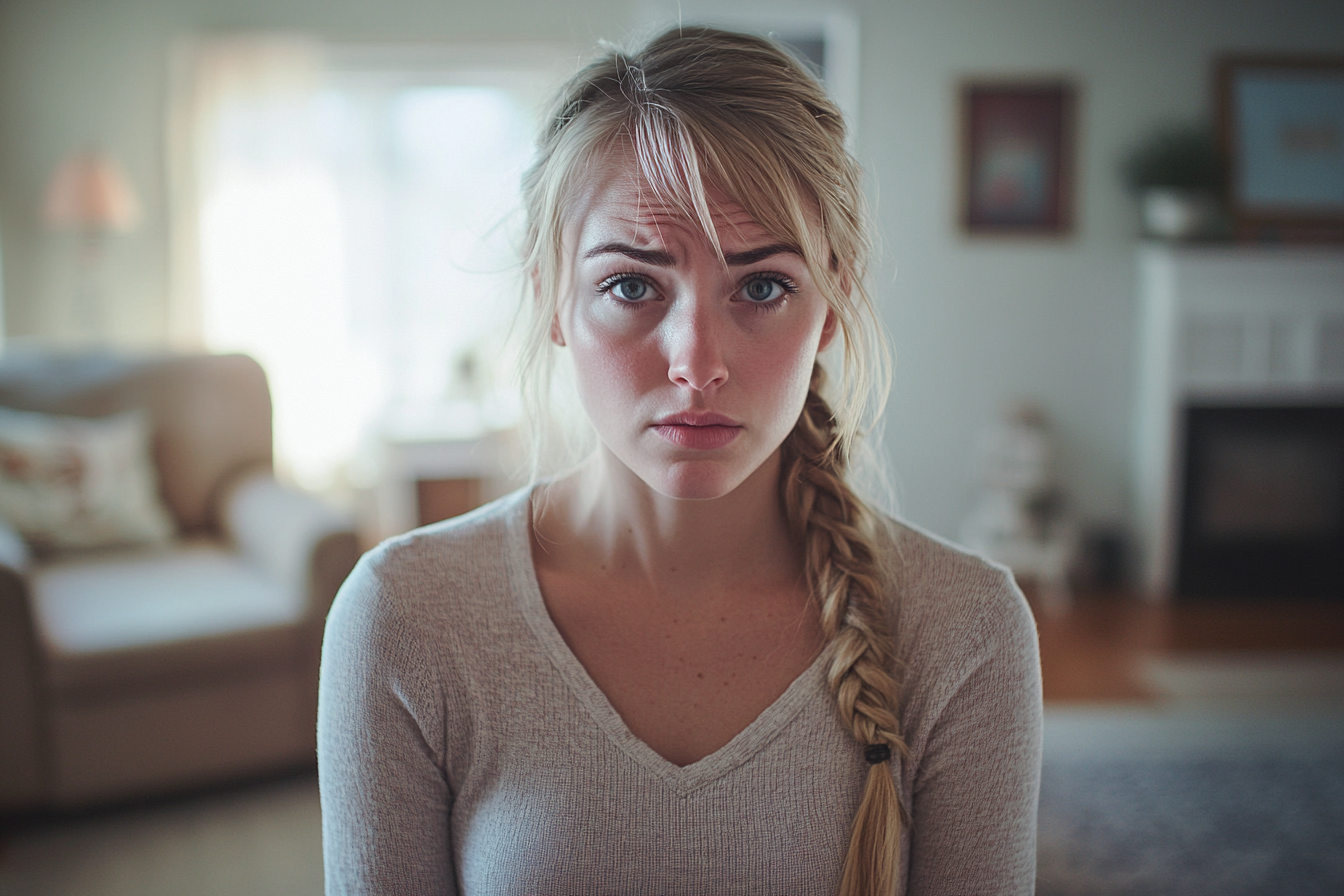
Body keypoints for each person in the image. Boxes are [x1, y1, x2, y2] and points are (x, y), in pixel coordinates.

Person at [318, 26, 1042, 896]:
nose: (697, 362)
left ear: (835, 302)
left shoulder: (966, 631)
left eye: (763, 286)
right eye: (632, 285)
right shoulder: (406, 620)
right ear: (551, 293)